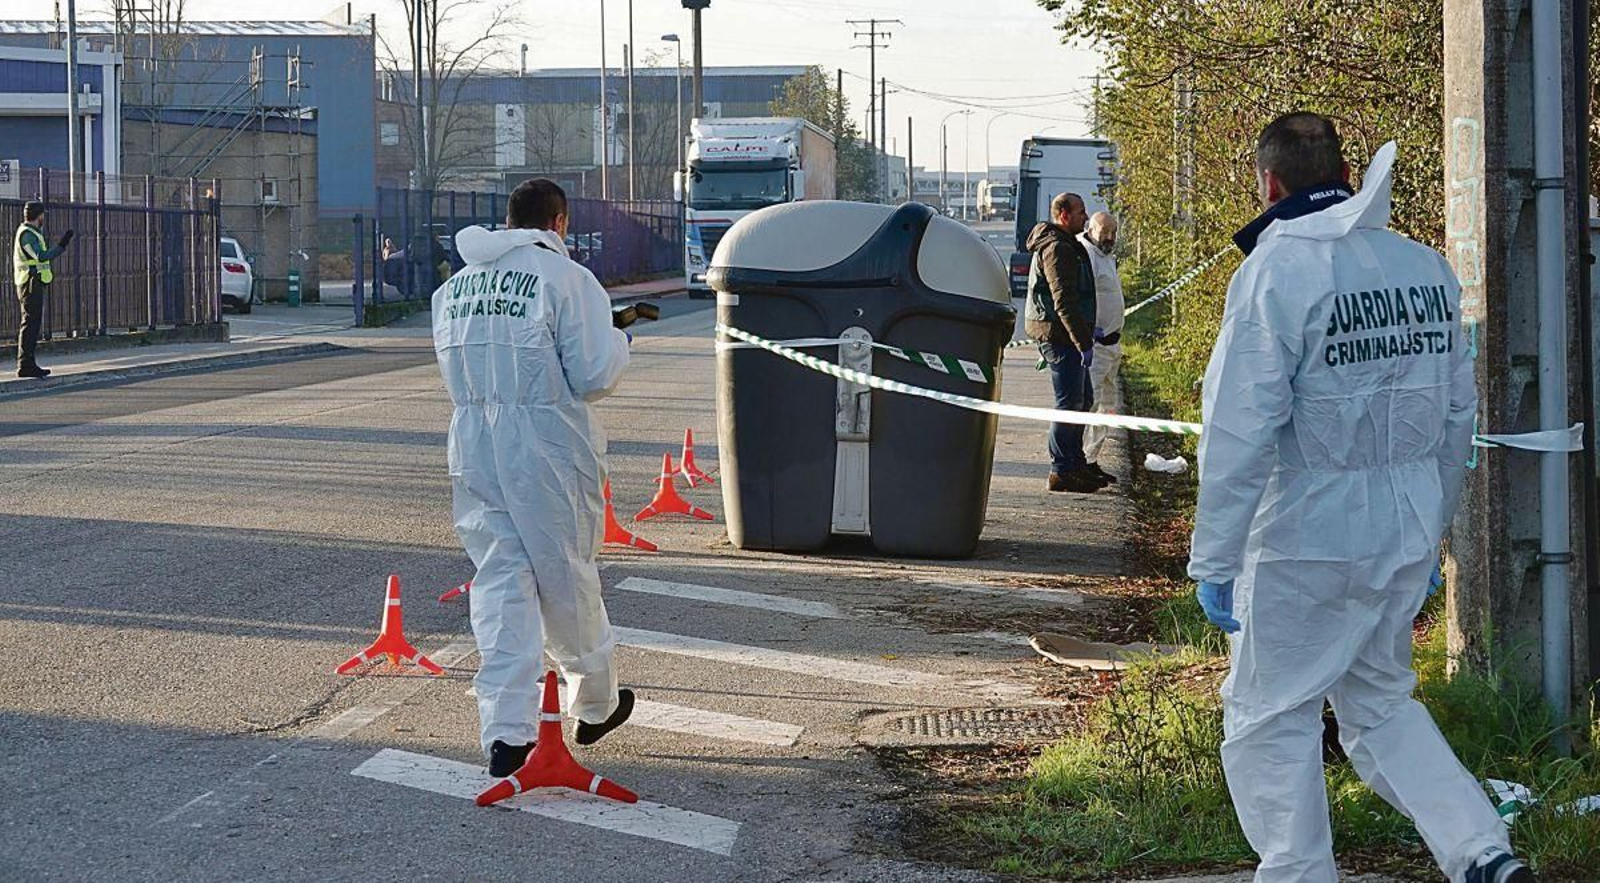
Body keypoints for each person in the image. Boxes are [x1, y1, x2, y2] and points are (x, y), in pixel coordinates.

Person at [1188, 112, 1533, 883]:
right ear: (1342, 174)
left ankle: (1299, 872)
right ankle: (1482, 851)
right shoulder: (1424, 268)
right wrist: (1433, 535)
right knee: (1379, 706)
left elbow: (1239, 431)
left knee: (1271, 719)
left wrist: (1214, 557)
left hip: (1302, 538)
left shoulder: (1275, 275)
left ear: (1269, 184)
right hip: (1400, 529)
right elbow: (1455, 421)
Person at [431, 178, 634, 777]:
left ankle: (505, 731)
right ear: (560, 223)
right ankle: (594, 701)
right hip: (545, 446)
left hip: (473, 442)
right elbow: (593, 374)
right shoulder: (566, 281)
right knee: (565, 573)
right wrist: (622, 339)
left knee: (499, 580)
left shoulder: (456, 289)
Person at [1024, 192, 1108, 493]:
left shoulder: (1066, 244)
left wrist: (1088, 333)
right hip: (1060, 338)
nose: (1085, 218)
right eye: (1080, 212)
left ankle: (1075, 463)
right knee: (1069, 403)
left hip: (1069, 335)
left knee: (1082, 399)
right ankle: (1061, 470)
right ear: (1063, 215)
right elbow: (1064, 301)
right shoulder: (1057, 248)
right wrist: (1082, 341)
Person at [1078, 212, 1124, 478]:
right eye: (1104, 231)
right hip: (1094, 346)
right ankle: (1077, 460)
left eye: (1114, 232)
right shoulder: (1086, 256)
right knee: (1089, 404)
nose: (1109, 237)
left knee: (1107, 405)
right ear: (1090, 229)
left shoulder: (1107, 256)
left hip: (1112, 346)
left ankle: (1091, 459)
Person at [11, 201, 74, 379]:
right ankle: (25, 364)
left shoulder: (31, 233)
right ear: (38, 216)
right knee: (30, 323)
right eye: (43, 215)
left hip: (33, 282)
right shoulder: (27, 235)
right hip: (29, 283)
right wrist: (62, 246)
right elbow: (39, 256)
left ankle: (28, 363)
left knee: (32, 323)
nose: (43, 218)